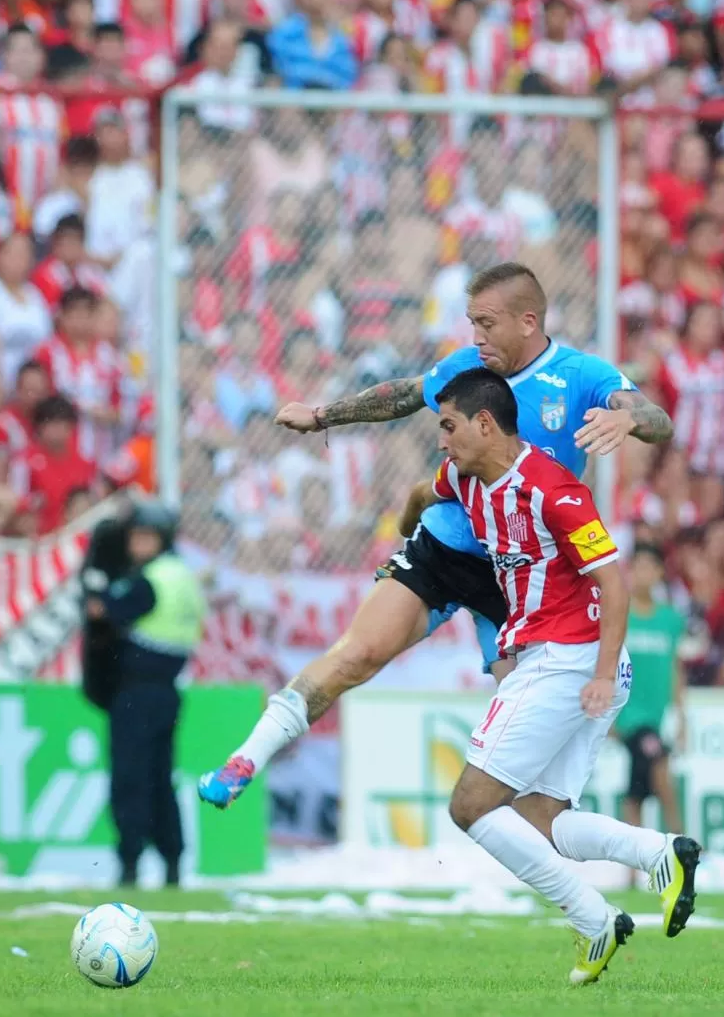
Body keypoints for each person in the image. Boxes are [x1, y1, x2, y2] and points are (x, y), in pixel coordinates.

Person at [199, 262, 672, 803]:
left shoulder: (582, 376)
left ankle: (609, 851)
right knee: (357, 655)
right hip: (443, 550)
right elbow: (401, 394)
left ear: (527, 320)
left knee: (523, 762)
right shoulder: (466, 368)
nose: (477, 336)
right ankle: (244, 760)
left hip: (522, 582)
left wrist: (631, 419)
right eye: (472, 322)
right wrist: (323, 416)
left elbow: (656, 417)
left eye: (487, 323)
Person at [426, 367, 699, 982]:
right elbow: (429, 491)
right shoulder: (463, 478)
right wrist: (408, 538)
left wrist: (601, 675)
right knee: (540, 821)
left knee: (471, 805)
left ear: (485, 423)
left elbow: (615, 584)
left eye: (448, 427)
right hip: (562, 660)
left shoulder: (556, 490)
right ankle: (659, 852)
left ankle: (590, 916)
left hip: (568, 659)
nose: (442, 440)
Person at [82, 497, 207, 887]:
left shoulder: (149, 581)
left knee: (130, 778)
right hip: (168, 691)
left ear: (161, 539)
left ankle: (130, 861)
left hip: (136, 693)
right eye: (134, 536)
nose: (136, 544)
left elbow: (106, 612)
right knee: (160, 778)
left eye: (144, 537)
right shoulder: (182, 575)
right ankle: (172, 860)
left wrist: (97, 594)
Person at [619, 542, 687, 843]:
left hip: (656, 715)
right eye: (638, 567)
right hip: (628, 714)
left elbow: (676, 668)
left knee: (638, 789)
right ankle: (681, 844)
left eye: (650, 567)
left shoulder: (670, 620)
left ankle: (634, 865)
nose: (643, 574)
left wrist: (682, 714)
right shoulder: (618, 614)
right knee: (660, 770)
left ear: (660, 573)